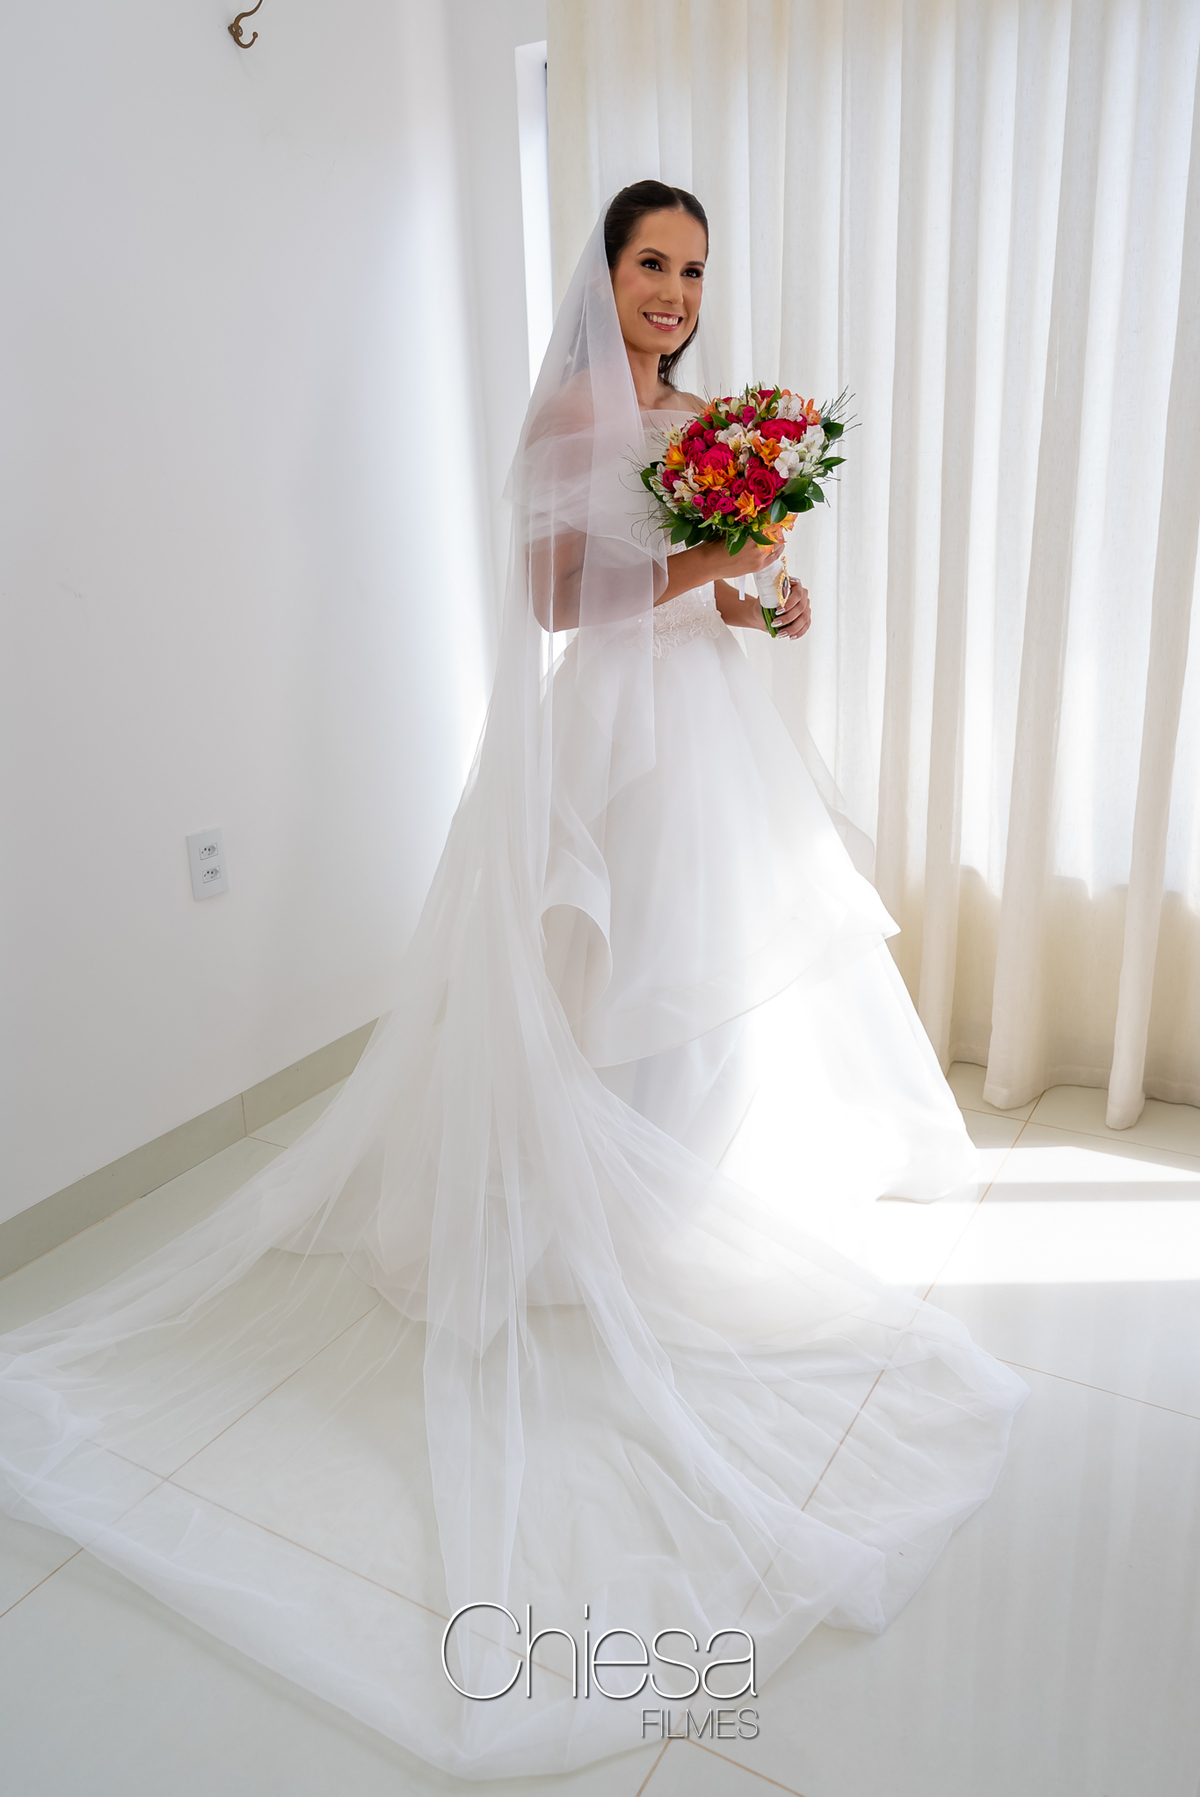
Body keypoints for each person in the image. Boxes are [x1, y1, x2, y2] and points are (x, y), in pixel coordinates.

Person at [0, 182, 1027, 1781]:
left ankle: (669, 1202)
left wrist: (759, 590)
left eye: (693, 268)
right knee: (607, 968)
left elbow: (689, 579)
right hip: (611, 728)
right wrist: (715, 556)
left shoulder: (701, 417)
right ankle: (582, 1212)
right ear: (603, 271)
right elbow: (558, 597)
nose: (674, 289)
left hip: (702, 716)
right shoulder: (571, 411)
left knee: (709, 973)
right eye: (650, 262)